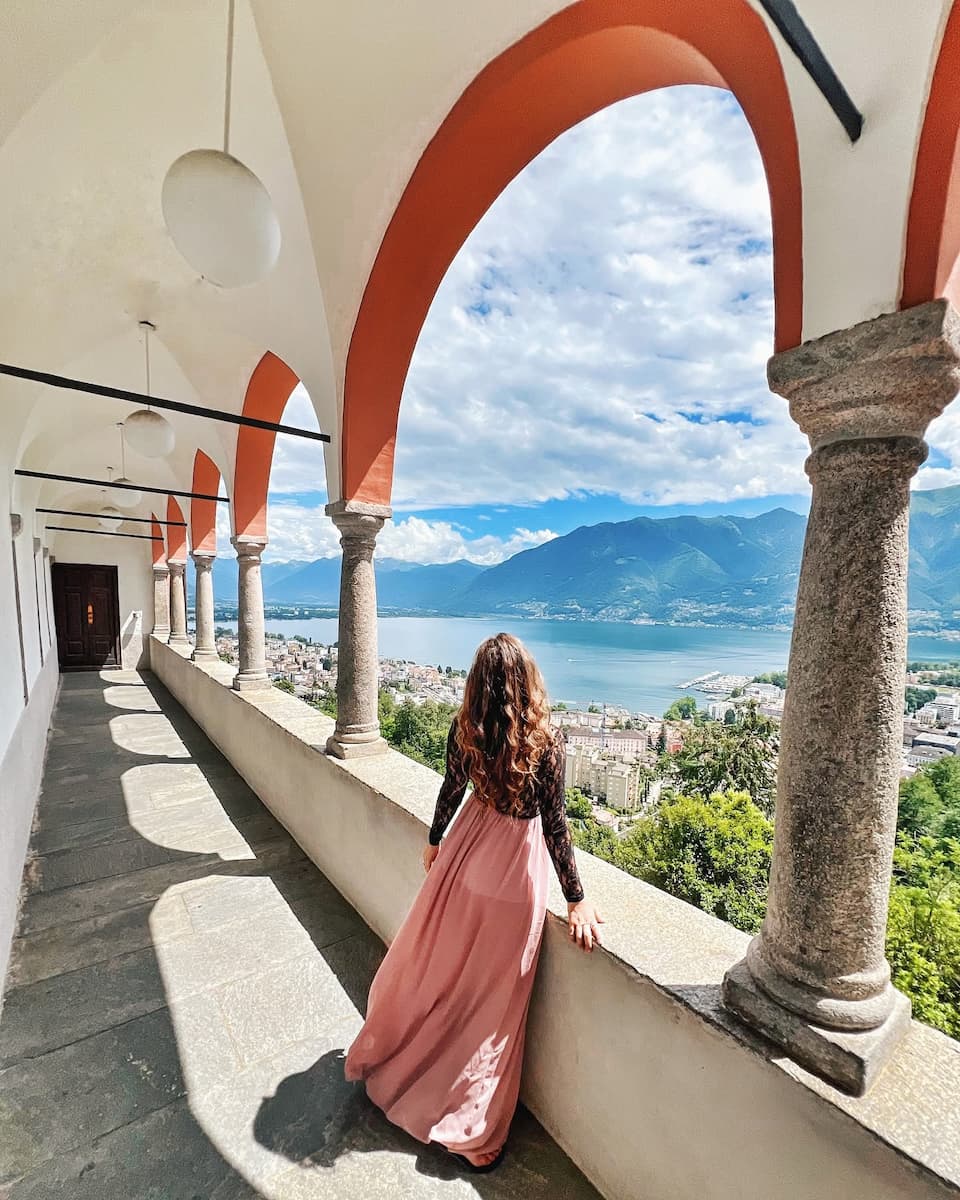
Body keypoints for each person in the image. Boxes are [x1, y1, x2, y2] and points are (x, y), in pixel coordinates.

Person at [344, 632, 604, 1172]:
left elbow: (450, 790)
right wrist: (576, 899)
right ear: (527, 682)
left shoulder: (466, 730)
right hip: (514, 881)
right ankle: (474, 1128)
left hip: (466, 862)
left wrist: (436, 841)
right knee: (494, 1009)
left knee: (444, 980)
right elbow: (554, 825)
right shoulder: (547, 741)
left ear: (477, 686)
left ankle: (408, 1061)